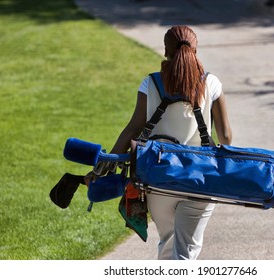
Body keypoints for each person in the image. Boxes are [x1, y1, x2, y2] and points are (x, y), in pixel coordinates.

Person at [85, 25, 232, 260]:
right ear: (196, 50)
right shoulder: (211, 83)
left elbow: (133, 129)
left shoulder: (151, 83)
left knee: (168, 243)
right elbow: (225, 137)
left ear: (165, 51)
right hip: (200, 178)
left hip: (158, 178)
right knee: (186, 251)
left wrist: (107, 164)